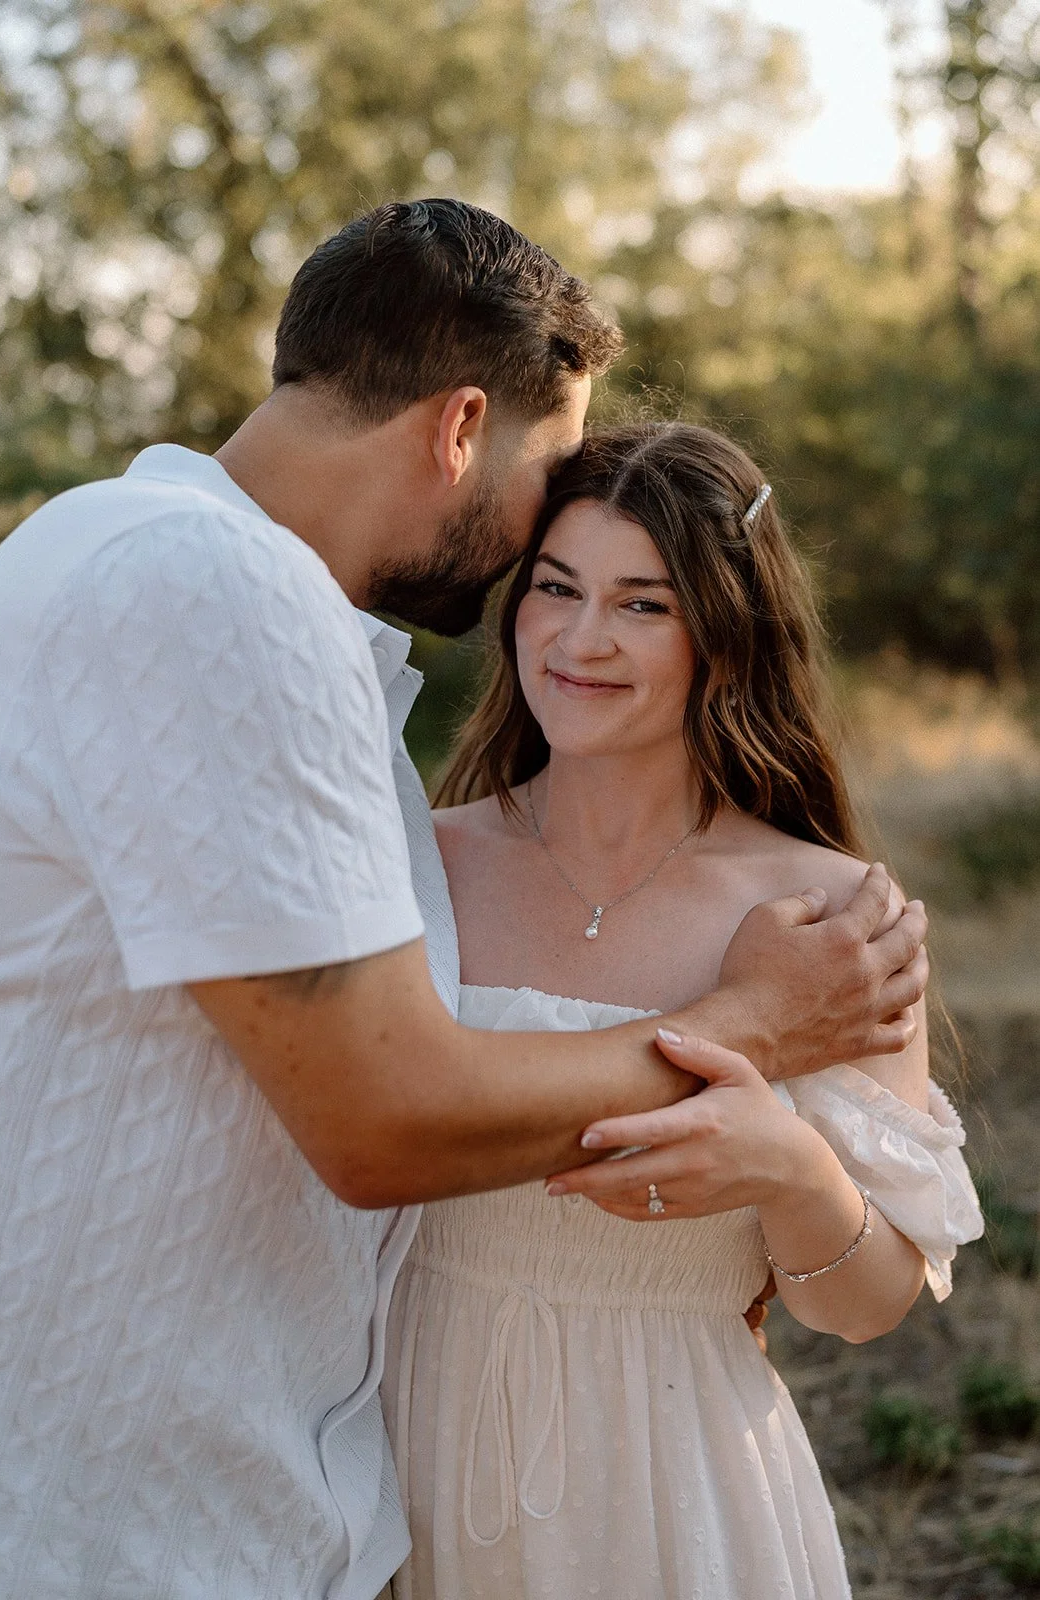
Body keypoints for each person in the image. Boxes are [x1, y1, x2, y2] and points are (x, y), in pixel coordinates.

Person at [0, 201, 929, 1600]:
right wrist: (747, 1022)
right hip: (113, 1512)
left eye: (644, 602)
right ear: (458, 426)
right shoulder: (215, 587)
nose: (537, 579)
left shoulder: (138, 559)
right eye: (543, 504)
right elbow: (383, 1118)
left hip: (245, 1493)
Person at [381, 422, 983, 1599]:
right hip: (390, 1455)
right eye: (555, 588)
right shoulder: (412, 861)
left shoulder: (825, 914)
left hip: (669, 1490)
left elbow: (865, 1307)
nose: (580, 638)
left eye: (642, 606)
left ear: (726, 632)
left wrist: (790, 1170)